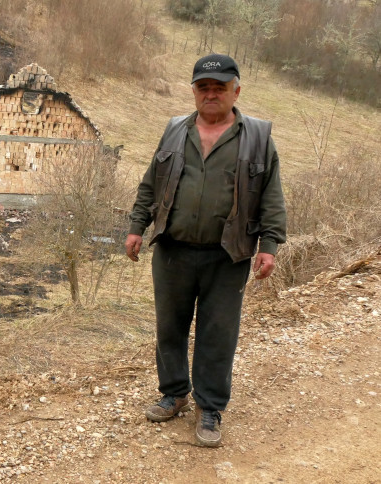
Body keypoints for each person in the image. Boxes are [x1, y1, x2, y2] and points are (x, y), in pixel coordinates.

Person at [124, 53, 286, 447]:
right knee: (170, 328)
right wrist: (135, 227)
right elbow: (150, 184)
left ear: (236, 90)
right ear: (195, 91)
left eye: (220, 87)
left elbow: (271, 196)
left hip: (227, 256)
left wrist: (269, 245)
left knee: (218, 333)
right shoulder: (175, 130)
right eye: (204, 87)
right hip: (173, 250)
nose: (211, 94)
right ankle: (175, 392)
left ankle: (210, 406)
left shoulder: (258, 137)